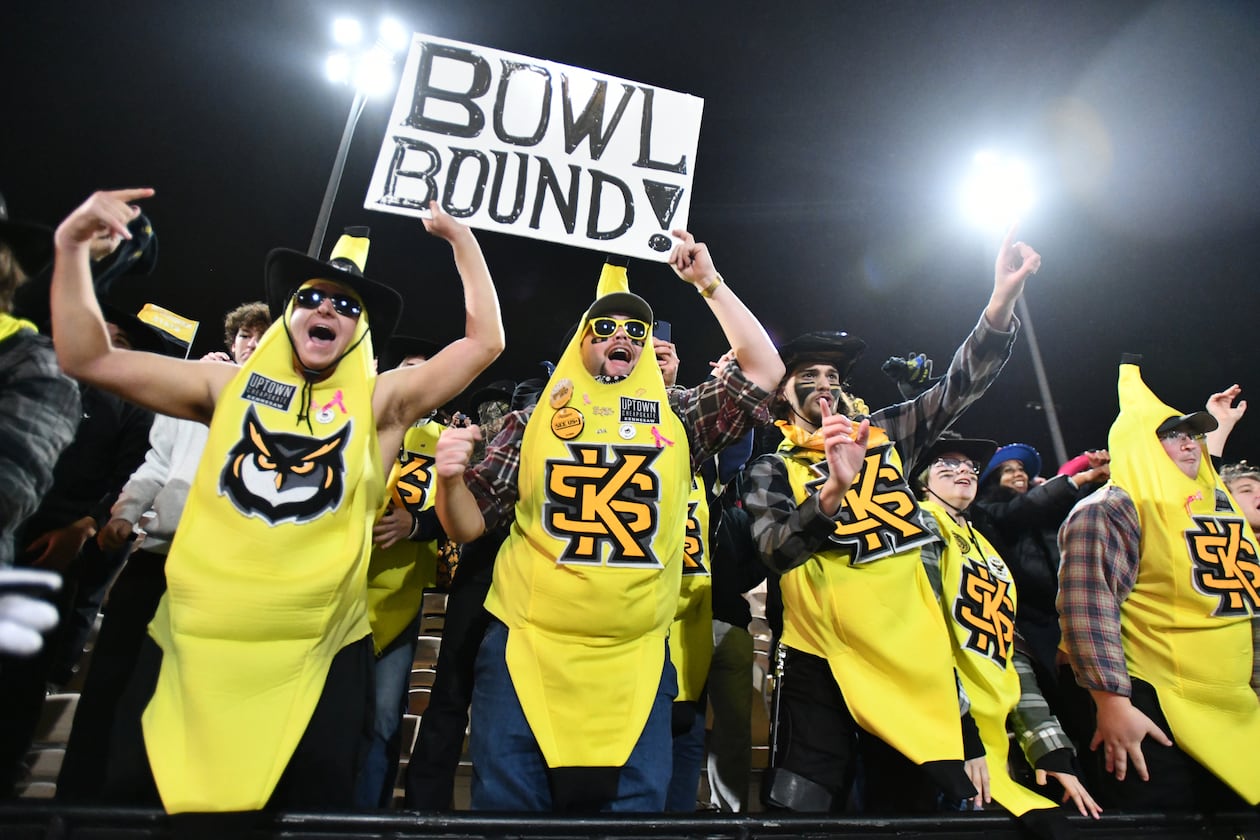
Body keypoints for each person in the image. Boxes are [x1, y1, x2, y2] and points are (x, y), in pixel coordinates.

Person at [48, 188, 503, 819]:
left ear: (361, 329)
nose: (326, 308)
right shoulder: (224, 384)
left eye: (345, 305)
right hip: (194, 645)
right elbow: (86, 355)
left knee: (304, 816)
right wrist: (70, 250)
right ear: (287, 315)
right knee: (153, 807)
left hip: (316, 652)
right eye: (310, 298)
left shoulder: (381, 404)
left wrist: (462, 240)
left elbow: (484, 344)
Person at [433, 239, 784, 812]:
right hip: (527, 649)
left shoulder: (679, 417)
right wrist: (449, 479)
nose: (622, 335)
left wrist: (709, 283)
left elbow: (765, 370)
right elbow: (467, 526)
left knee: (631, 823)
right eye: (605, 326)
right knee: (511, 819)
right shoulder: (531, 421)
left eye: (635, 331)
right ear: (581, 342)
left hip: (637, 658)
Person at [743, 224, 1041, 812]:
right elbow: (775, 551)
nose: (826, 383)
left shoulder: (885, 435)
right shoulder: (768, 470)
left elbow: (957, 389)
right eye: (810, 375)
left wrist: (1000, 303)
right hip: (819, 655)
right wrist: (832, 489)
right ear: (784, 397)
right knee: (802, 800)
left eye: (835, 375)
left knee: (907, 798)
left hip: (905, 647)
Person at [57, 301, 271, 803]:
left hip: (222, 573)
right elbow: (156, 461)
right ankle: (74, 807)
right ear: (232, 341)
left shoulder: (282, 409)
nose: (251, 345)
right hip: (158, 557)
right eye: (244, 336)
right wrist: (126, 512)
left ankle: (151, 806)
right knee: (110, 685)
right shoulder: (191, 388)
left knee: (179, 699)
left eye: (263, 337)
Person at [1057, 357, 1260, 810]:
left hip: (1232, 703)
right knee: (1168, 821)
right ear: (1140, 445)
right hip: (1154, 700)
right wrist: (1112, 704)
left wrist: (1220, 427)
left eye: (1191, 435)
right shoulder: (1107, 509)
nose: (1189, 444)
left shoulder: (1212, 504)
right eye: (1170, 436)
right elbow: (1089, 609)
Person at [915, 436, 1100, 822]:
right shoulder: (917, 527)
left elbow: (1007, 649)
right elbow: (921, 636)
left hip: (988, 739)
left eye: (970, 466)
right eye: (947, 463)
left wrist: (1049, 748)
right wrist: (961, 736)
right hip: (940, 738)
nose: (964, 469)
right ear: (921, 480)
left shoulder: (985, 546)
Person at [354, 334, 453, 809]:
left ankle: (366, 817)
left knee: (383, 722)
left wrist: (417, 524)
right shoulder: (354, 419)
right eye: (408, 369)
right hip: (333, 592)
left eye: (426, 372)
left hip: (398, 600)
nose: (417, 381)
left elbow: (459, 514)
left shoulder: (443, 440)